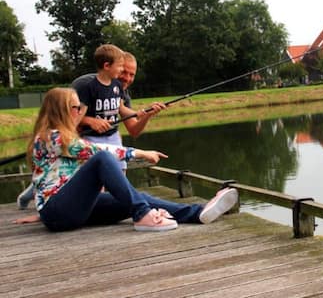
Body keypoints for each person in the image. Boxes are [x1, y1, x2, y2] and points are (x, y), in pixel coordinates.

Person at [15, 88, 238, 231]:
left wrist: (41, 211)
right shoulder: (51, 137)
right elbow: (96, 151)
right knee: (102, 158)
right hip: (59, 213)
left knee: (131, 198)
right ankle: (143, 215)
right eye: (76, 107)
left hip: (62, 212)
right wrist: (139, 153)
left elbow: (42, 181)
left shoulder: (60, 138)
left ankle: (197, 213)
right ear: (63, 110)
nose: (81, 112)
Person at [17, 50, 163, 209]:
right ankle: (35, 191)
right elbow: (69, 117)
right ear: (109, 66)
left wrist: (144, 114)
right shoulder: (86, 85)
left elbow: (132, 127)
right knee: (91, 180)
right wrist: (90, 122)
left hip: (110, 136)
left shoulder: (118, 89)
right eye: (123, 70)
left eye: (131, 74)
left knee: (119, 179)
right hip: (86, 138)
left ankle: (128, 208)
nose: (126, 77)